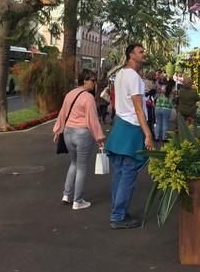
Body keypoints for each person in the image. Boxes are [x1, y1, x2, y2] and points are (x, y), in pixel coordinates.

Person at [104, 44, 154, 229]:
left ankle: (118, 211)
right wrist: (148, 133)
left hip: (120, 126)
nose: (144, 54)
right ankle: (118, 215)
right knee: (128, 173)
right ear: (131, 55)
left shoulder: (121, 74)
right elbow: (138, 108)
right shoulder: (133, 77)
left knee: (120, 172)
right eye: (140, 51)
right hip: (132, 128)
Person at [53, 69, 105, 210]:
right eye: (92, 80)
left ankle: (66, 194)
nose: (94, 83)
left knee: (74, 164)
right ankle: (78, 200)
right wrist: (100, 138)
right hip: (82, 134)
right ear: (84, 80)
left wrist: (58, 130)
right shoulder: (88, 98)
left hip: (68, 132)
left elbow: (62, 113)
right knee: (81, 167)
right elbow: (92, 120)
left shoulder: (70, 93)